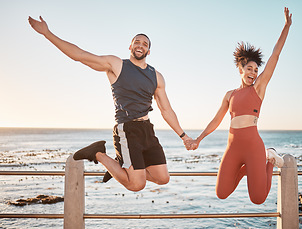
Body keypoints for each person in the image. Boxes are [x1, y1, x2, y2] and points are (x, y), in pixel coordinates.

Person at [28, 16, 193, 192]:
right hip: (128, 130)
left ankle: (118, 170)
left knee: (163, 178)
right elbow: (80, 55)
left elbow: (166, 110)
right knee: (137, 184)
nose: (140, 45)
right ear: (130, 47)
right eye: (137, 42)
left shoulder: (157, 76)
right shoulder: (117, 64)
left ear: (149, 51)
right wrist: (47, 33)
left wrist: (184, 136)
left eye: (145, 44)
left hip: (147, 130)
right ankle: (98, 153)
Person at [187, 7, 292, 204]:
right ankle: (250, 168)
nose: (253, 73)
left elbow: (275, 55)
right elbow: (216, 120)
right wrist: (199, 138)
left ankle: (268, 158)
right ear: (240, 69)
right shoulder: (229, 95)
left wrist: (286, 26)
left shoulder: (258, 88)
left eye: (255, 70)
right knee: (221, 192)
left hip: (253, 146)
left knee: (258, 198)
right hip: (233, 147)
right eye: (249, 69)